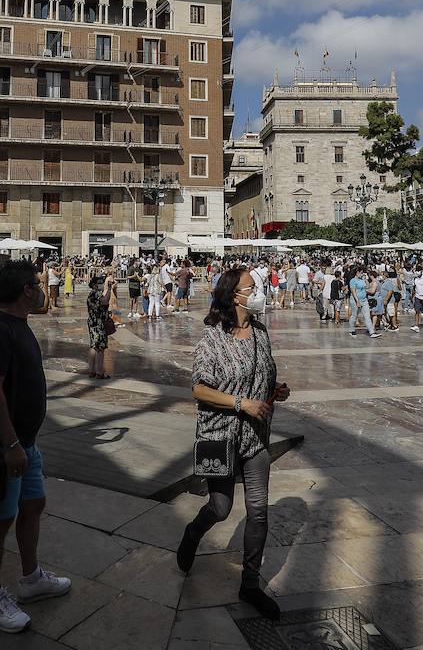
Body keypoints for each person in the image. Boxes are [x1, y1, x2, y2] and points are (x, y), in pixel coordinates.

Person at [176, 265, 287, 621]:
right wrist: (242, 403)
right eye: (251, 287)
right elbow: (199, 388)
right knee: (221, 508)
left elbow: (263, 375)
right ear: (233, 295)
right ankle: (195, 531)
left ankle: (250, 584)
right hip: (220, 435)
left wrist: (274, 392)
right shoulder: (213, 338)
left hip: (255, 438)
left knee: (259, 512)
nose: (257, 292)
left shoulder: (261, 332)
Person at [0, 261, 72, 633]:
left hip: (24, 443)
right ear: (27, 290)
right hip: (1, 445)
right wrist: (11, 444)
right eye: (38, 283)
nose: (42, 288)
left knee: (33, 505)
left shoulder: (19, 325)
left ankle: (30, 579)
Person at [87, 274, 114, 379]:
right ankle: (99, 372)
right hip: (98, 322)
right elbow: (105, 301)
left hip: (92, 321)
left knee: (93, 346)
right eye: (99, 283)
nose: (101, 285)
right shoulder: (96, 293)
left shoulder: (91, 294)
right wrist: (109, 289)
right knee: (100, 348)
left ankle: (92, 371)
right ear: (94, 284)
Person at [347, 266, 378, 338]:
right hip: (355, 300)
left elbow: (367, 287)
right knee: (354, 316)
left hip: (364, 300)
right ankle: (352, 330)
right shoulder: (353, 280)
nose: (362, 274)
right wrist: (357, 301)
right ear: (357, 273)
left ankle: (372, 332)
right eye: (361, 273)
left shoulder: (362, 280)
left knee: (367, 316)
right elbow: (353, 291)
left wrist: (365, 279)